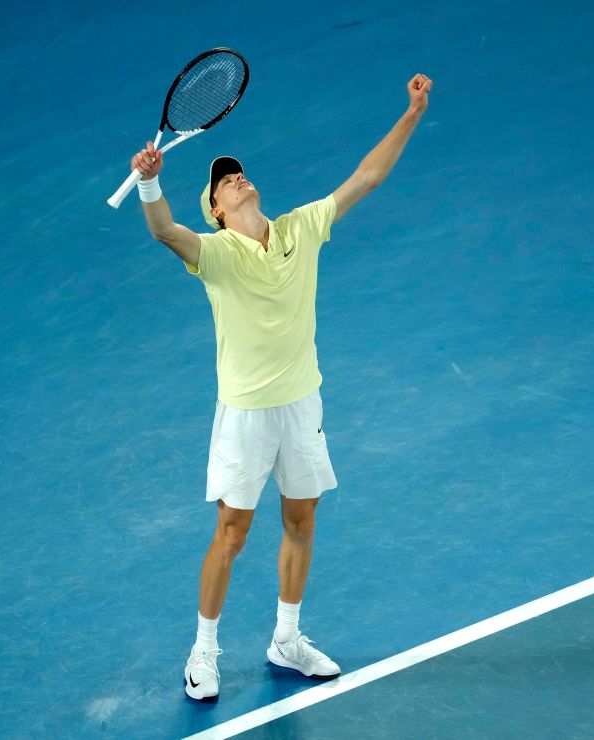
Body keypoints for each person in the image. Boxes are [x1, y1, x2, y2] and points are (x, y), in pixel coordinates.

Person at [128, 73, 433, 700]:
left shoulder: (300, 229)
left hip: (302, 404)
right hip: (244, 416)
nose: (235, 177)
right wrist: (151, 180)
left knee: (302, 519)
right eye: (223, 180)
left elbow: (366, 178)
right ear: (215, 209)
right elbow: (163, 230)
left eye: (238, 172)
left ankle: (286, 639)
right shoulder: (213, 255)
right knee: (232, 533)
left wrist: (412, 112)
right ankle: (204, 652)